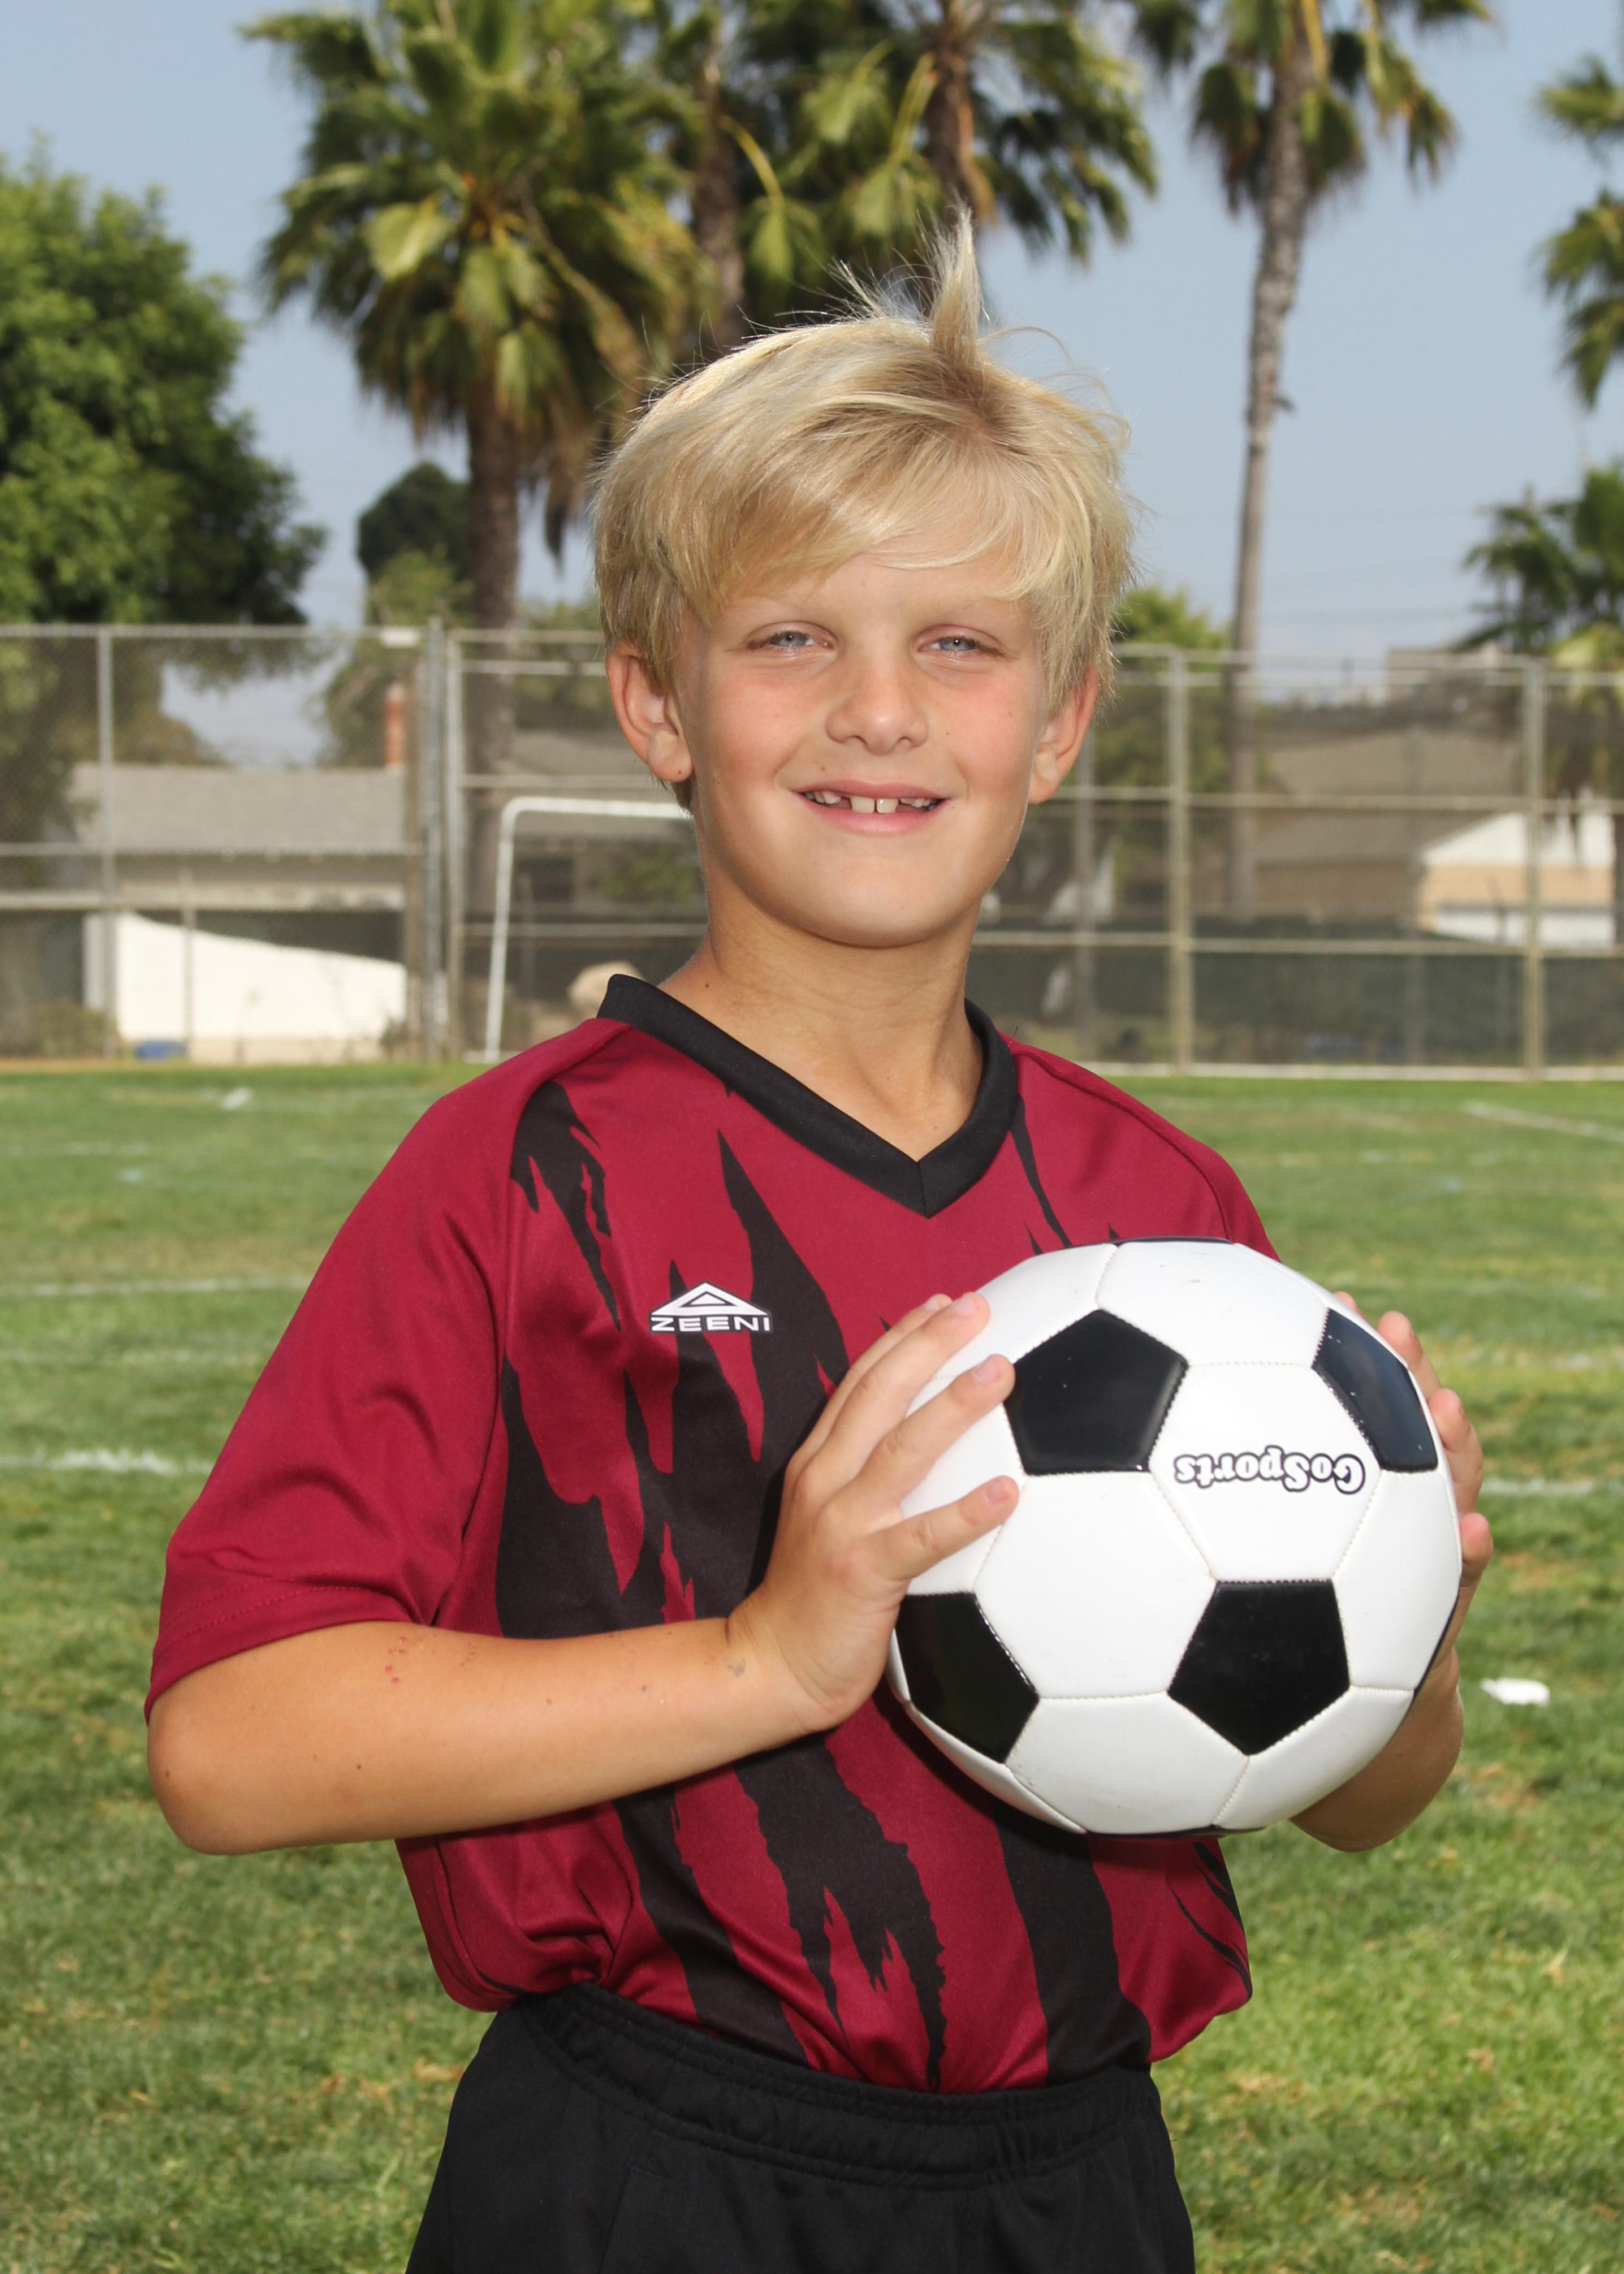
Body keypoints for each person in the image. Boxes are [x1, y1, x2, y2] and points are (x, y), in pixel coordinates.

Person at [145, 225, 1492, 2272]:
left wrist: (1404, 1600)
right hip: (644, 2171)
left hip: (1075, 2186)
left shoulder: (1167, 1212)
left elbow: (1368, 1794)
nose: (879, 710)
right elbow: (228, 1742)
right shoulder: (522, 1174)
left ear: (1059, 719)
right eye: (790, 638)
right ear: (655, 702)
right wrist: (762, 1656)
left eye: (960, 643)